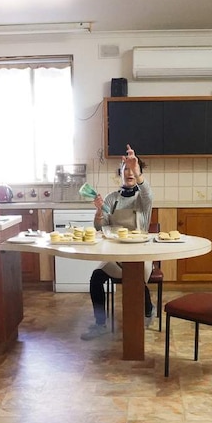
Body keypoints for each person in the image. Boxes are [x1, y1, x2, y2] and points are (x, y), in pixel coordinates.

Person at [81, 145, 154, 341]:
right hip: (115, 255)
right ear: (120, 174)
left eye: (132, 170)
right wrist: (98, 211)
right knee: (96, 277)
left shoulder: (143, 199)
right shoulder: (112, 198)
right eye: (126, 169)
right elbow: (100, 227)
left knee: (136, 278)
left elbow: (148, 194)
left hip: (140, 253)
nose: (129, 173)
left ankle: (148, 311)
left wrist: (137, 169)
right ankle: (100, 323)